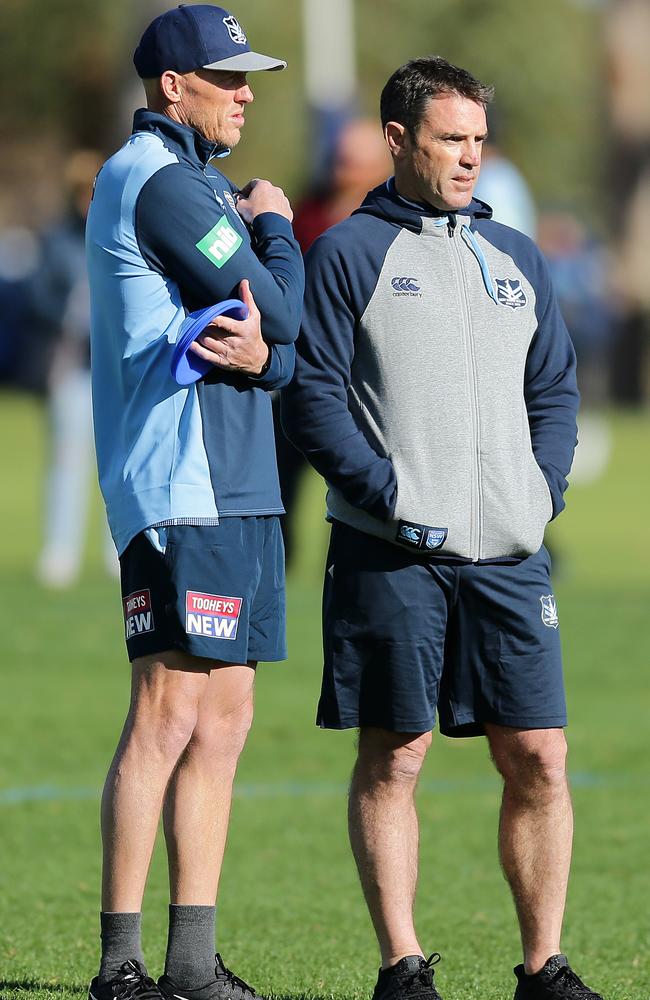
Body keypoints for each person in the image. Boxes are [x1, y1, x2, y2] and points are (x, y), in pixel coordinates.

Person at [282, 57, 603, 1000]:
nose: (470, 157)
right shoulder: (345, 253)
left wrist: (537, 493)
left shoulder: (518, 256)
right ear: (397, 141)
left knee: (539, 754)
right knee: (396, 752)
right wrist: (391, 495)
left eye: (477, 139)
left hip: (511, 553)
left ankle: (544, 967)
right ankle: (402, 966)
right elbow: (312, 397)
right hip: (391, 553)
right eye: (449, 139)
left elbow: (554, 387)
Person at [85, 6, 303, 1000]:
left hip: (238, 478)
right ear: (170, 85)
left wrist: (273, 354)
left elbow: (279, 345)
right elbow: (283, 307)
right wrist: (272, 223)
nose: (245, 91)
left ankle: (187, 963)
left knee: (226, 719)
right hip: (182, 481)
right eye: (227, 78)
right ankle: (122, 963)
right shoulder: (164, 182)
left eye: (247, 76)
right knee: (168, 711)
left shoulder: (196, 181)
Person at [30, 149, 117, 588]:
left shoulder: (120, 233)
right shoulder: (56, 240)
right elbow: (36, 297)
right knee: (67, 460)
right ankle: (59, 551)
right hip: (71, 368)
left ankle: (117, 551)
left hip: (114, 370)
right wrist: (70, 309)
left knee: (116, 462)